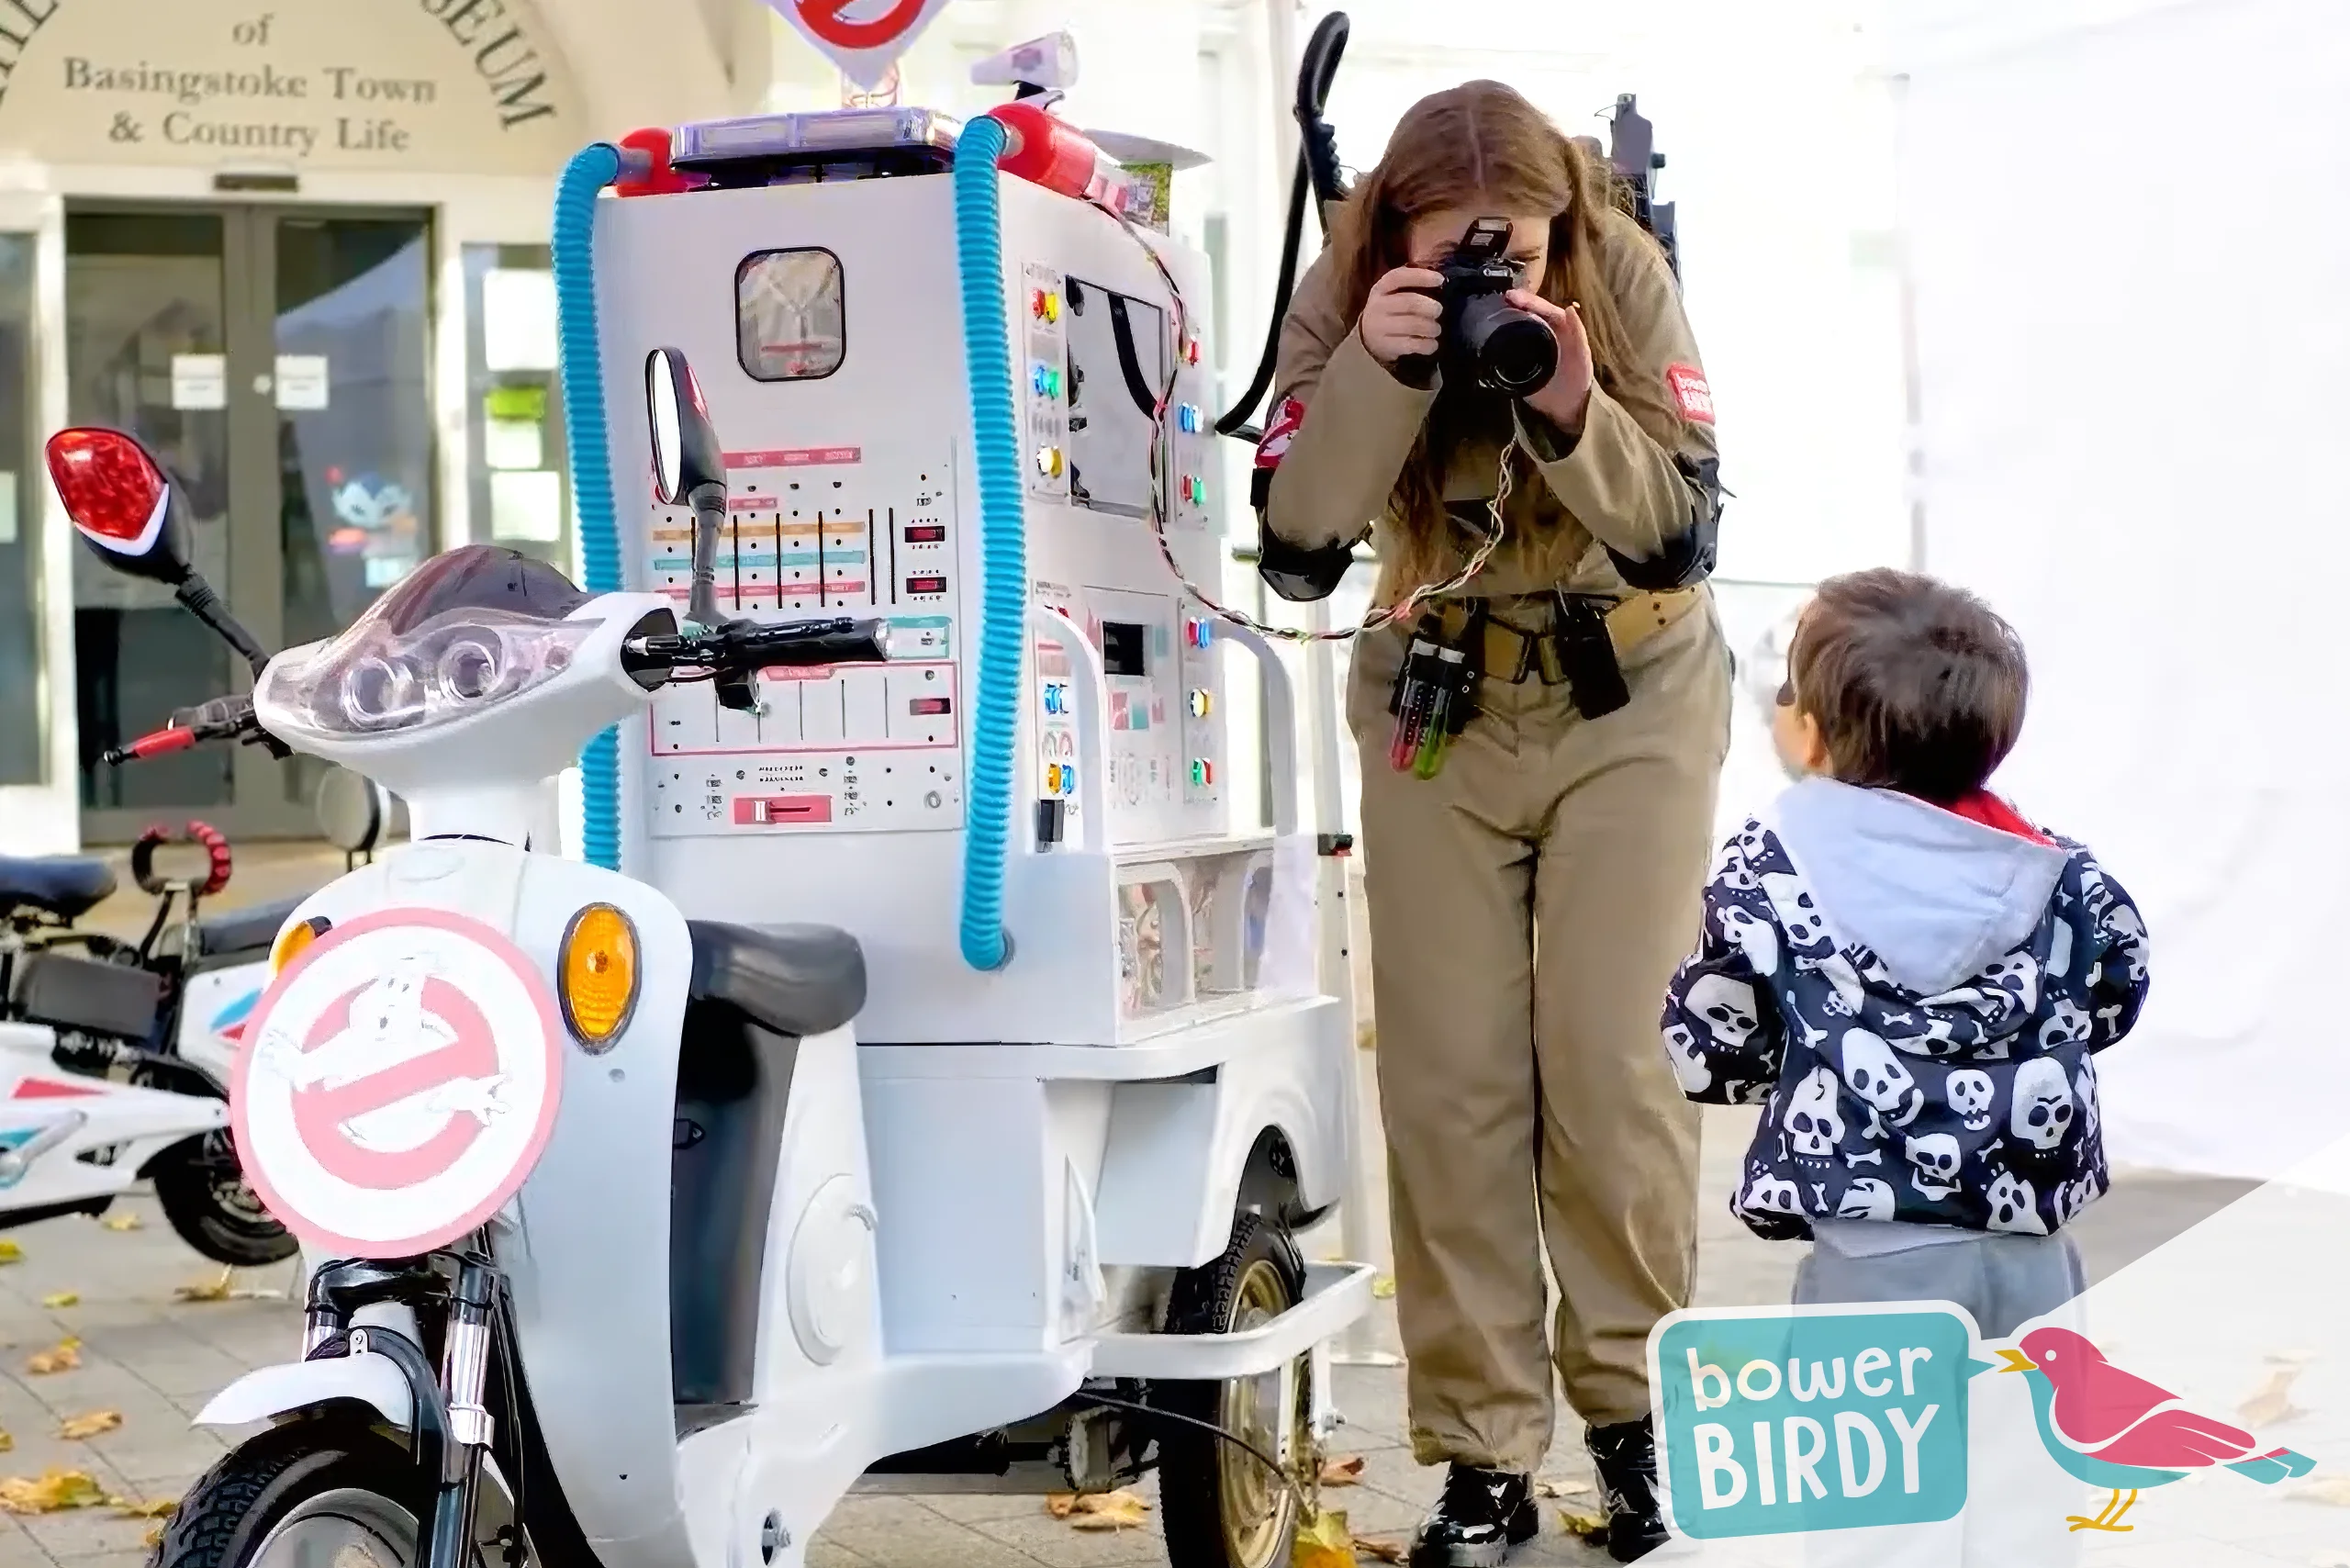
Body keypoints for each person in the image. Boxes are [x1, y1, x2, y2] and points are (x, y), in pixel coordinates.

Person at [1253, 81, 1732, 1564]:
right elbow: (1298, 549)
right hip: (1439, 703)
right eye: (1454, 254)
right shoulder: (1344, 279)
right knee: (1450, 1085)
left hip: (1628, 695)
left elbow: (1679, 534)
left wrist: (1573, 401)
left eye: (1513, 255)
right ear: (1395, 225)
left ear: (1560, 223)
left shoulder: (1618, 266)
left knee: (1615, 1067)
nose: (1487, 282)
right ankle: (1482, 1456)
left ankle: (1639, 1421)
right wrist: (1376, 370)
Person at [1660, 568, 2153, 1562]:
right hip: (2032, 1248)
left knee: (1872, 1519)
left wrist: (1798, 1059)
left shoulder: (1769, 869)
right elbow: (2116, 991)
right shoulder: (2060, 873)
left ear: (1812, 736)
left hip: (1871, 1252)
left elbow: (1709, 1049)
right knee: (2030, 1509)